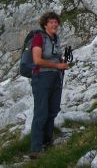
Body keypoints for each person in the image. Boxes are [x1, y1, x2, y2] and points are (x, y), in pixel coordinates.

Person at [30, 12, 69, 157]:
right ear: (45, 24)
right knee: (41, 112)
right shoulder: (39, 38)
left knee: (52, 110)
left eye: (56, 22)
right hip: (42, 77)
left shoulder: (56, 38)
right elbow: (37, 60)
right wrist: (57, 66)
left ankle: (47, 142)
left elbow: (56, 56)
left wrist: (62, 63)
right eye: (51, 22)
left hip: (55, 77)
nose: (54, 25)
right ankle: (36, 148)